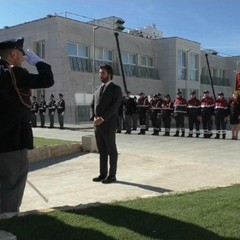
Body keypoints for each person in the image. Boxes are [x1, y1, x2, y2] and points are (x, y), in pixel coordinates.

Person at [0, 37, 54, 214]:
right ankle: (9, 221)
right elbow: (47, 80)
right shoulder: (14, 73)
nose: (24, 58)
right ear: (14, 54)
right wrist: (38, 62)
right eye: (23, 55)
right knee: (12, 183)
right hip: (12, 139)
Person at [91, 64, 122, 184]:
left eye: (103, 73)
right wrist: (93, 117)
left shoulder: (116, 89)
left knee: (111, 151)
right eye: (99, 73)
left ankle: (112, 175)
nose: (100, 75)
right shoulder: (98, 89)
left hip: (108, 125)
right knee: (102, 151)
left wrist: (102, 118)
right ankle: (102, 174)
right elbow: (92, 105)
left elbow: (114, 108)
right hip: (97, 126)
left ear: (109, 74)